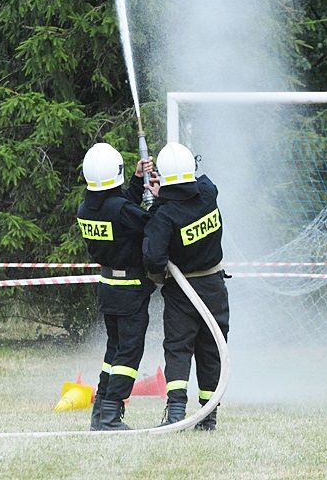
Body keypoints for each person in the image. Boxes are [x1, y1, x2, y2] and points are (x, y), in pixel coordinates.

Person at [142, 142, 230, 431]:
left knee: (178, 349)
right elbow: (199, 183)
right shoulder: (208, 193)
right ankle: (208, 416)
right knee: (212, 350)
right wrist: (166, 191)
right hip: (214, 287)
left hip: (182, 292)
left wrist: (157, 201)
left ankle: (176, 412)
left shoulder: (165, 215)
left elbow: (154, 258)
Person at [77, 142, 157, 431]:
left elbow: (121, 209)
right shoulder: (121, 209)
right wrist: (158, 199)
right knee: (128, 353)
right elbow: (153, 225)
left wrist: (137, 181)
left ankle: (100, 413)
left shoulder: (86, 208)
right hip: (130, 290)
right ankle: (111, 416)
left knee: (114, 351)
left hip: (108, 288)